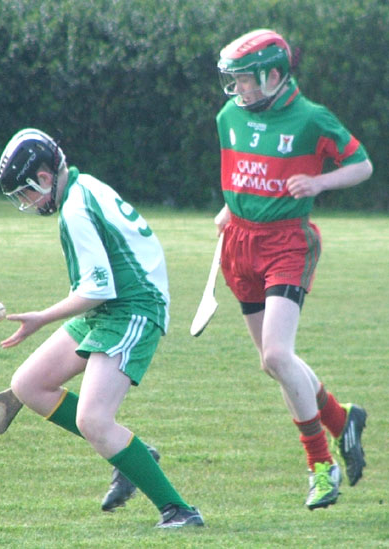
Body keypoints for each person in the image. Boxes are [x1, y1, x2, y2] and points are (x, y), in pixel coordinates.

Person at [0, 128, 204, 528]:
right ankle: (129, 453)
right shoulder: (84, 184)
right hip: (113, 304)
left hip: (133, 308)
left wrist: (41, 317)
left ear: (43, 178)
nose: (27, 203)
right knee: (29, 384)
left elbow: (96, 289)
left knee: (93, 419)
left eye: (26, 194)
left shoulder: (74, 211)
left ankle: (179, 511)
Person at [214, 29, 372, 510]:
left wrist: (319, 181)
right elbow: (238, 172)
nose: (238, 89)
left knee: (278, 356)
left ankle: (321, 466)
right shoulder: (228, 117)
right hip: (239, 244)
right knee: (273, 364)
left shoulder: (311, 119)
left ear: (274, 75)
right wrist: (229, 208)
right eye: (235, 80)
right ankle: (342, 419)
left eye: (245, 81)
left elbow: (362, 165)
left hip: (287, 243)